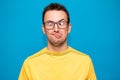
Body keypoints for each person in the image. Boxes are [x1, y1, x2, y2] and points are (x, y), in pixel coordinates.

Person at [18, 3, 97, 80]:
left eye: (61, 23)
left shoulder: (85, 62)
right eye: (50, 24)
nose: (56, 29)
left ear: (69, 27)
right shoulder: (29, 64)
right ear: (43, 29)